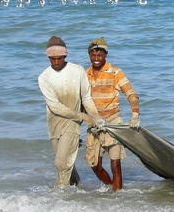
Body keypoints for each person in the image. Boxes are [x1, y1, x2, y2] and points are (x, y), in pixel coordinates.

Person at [38, 36, 104, 188]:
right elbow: (55, 107)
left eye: (59, 58)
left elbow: (86, 98)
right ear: (48, 57)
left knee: (61, 163)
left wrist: (95, 117)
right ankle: (79, 187)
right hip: (54, 124)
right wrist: (83, 116)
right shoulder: (44, 77)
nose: (56, 62)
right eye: (52, 59)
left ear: (65, 56)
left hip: (72, 124)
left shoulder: (77, 71)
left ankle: (58, 195)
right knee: (67, 163)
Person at [85, 37, 140, 192]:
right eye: (93, 55)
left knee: (116, 164)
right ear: (89, 55)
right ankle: (110, 188)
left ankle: (118, 196)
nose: (96, 59)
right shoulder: (85, 75)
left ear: (106, 55)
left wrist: (134, 115)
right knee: (95, 165)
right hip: (94, 125)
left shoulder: (116, 72)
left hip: (114, 124)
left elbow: (131, 94)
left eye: (99, 55)